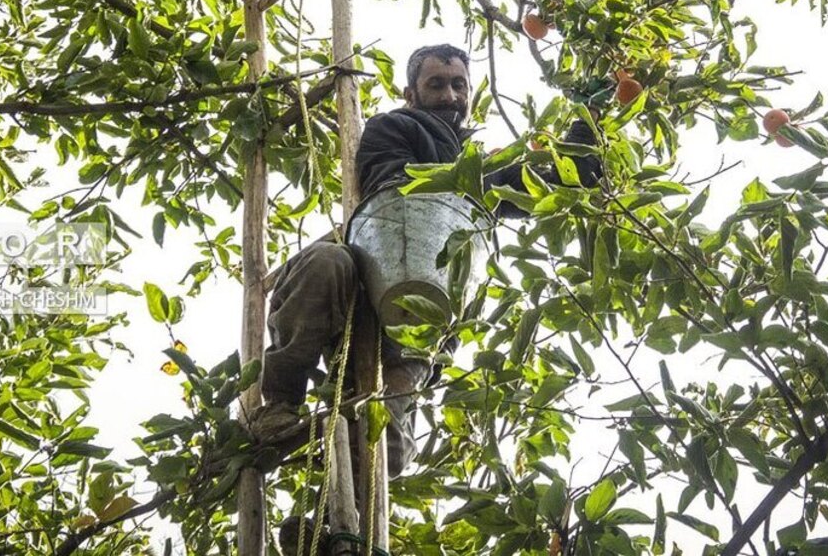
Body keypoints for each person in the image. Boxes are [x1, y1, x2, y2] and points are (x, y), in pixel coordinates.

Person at [251, 44, 602, 506]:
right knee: (325, 262)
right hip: (365, 277)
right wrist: (486, 180)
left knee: (388, 451)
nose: (450, 95)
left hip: (419, 322)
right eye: (436, 84)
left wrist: (589, 116)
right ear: (411, 93)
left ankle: (323, 525)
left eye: (459, 85)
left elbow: (573, 175)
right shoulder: (393, 127)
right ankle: (279, 402)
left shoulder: (481, 165)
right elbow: (404, 188)